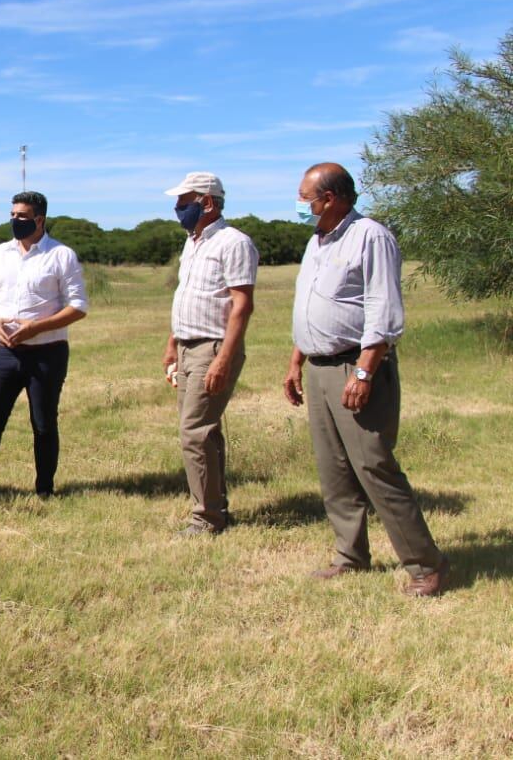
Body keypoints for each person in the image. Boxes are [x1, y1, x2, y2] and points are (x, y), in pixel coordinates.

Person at [283, 162, 448, 596]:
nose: (301, 205)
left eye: (306, 197)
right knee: (333, 469)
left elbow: (383, 311)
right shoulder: (317, 241)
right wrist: (296, 360)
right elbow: (312, 305)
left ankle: (424, 565)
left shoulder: (370, 237)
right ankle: (350, 556)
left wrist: (363, 371)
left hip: (354, 367)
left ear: (331, 198)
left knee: (374, 466)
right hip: (318, 367)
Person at [0, 191, 88, 506]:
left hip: (47, 352)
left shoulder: (61, 256)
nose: (15, 221)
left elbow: (78, 307)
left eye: (22, 216)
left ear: (39, 219)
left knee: (44, 422)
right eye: (13, 215)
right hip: (2, 353)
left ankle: (45, 488)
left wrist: (35, 328)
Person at [161, 172, 258, 536]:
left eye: (184, 202)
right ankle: (216, 507)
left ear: (208, 202)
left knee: (194, 432)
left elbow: (242, 305)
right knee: (203, 432)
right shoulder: (193, 242)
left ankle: (206, 518)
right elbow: (188, 295)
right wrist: (172, 344)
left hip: (213, 346)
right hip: (187, 346)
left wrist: (223, 359)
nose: (177, 208)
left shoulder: (234, 243)